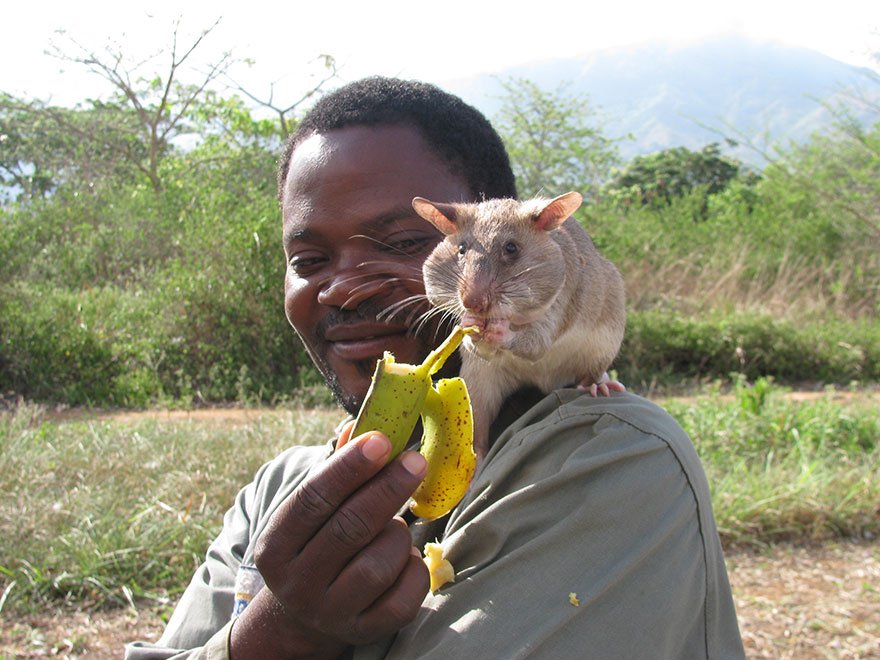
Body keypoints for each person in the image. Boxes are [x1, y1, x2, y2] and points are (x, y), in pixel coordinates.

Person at [126, 77, 745, 659]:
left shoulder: (609, 458)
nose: (342, 289)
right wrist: (277, 630)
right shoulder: (279, 490)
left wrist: (291, 633)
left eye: (401, 243)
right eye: (310, 256)